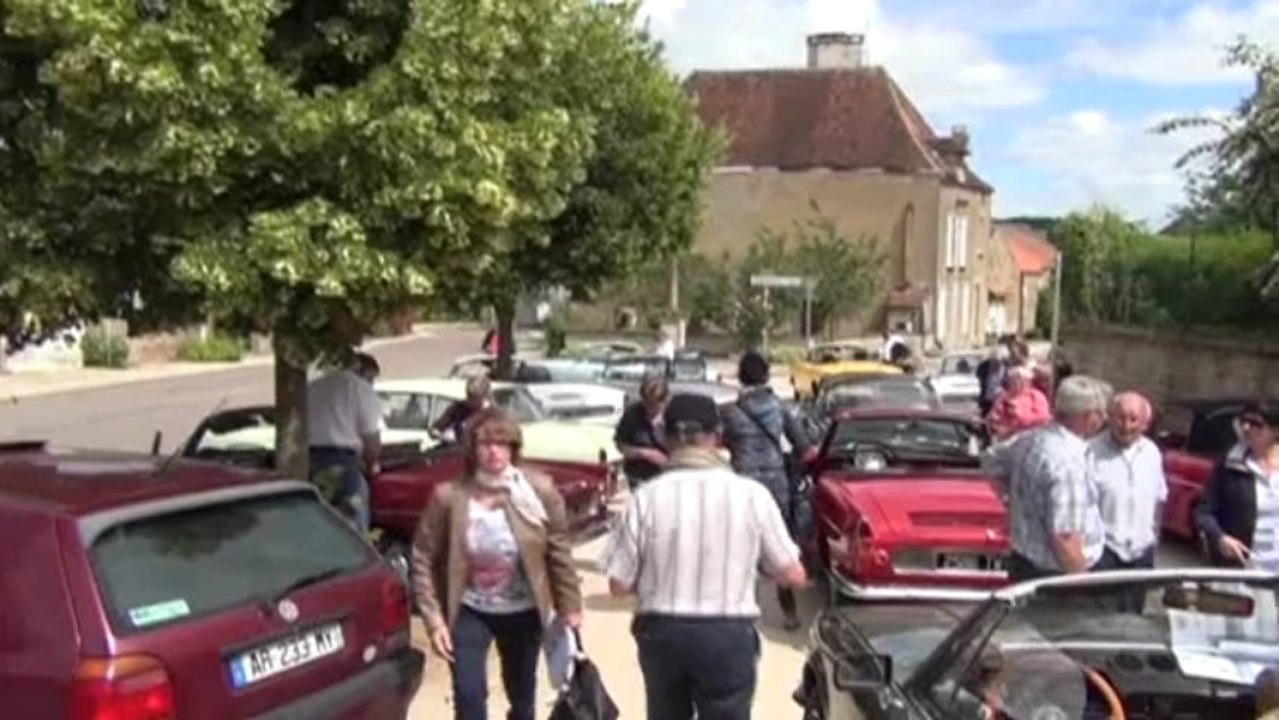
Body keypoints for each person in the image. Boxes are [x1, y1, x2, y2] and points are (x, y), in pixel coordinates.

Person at [600, 393, 808, 720]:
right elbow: (792, 575)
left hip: (662, 633)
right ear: (718, 436)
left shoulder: (645, 498)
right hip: (726, 634)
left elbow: (618, 584)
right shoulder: (751, 495)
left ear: (667, 438)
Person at [410, 409, 583, 720]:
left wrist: (570, 606)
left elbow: (559, 551)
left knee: (522, 696)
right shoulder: (449, 497)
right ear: (472, 448)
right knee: (468, 695)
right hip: (469, 608)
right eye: (486, 443)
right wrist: (434, 620)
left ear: (514, 448)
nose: (494, 452)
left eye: (503, 444)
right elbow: (422, 556)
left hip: (523, 609)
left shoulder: (537, 491)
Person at [721, 350, 812, 631]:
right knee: (780, 545)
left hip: (744, 480)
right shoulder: (780, 407)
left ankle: (741, 611)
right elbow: (804, 447)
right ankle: (789, 612)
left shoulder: (730, 412)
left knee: (742, 548)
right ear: (766, 375)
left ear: (740, 377)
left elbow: (722, 443)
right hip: (776, 482)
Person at [988, 375, 1110, 581]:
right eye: (1101, 412)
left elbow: (991, 460)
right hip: (1056, 576)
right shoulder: (1068, 464)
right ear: (1088, 416)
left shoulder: (1028, 439)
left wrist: (1011, 499)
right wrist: (1082, 583)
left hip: (1023, 563)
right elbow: (1065, 537)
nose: (1105, 418)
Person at [1090, 391, 1166, 612]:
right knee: (1098, 623)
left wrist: (1154, 540)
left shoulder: (1152, 453)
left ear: (1145, 423)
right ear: (1109, 418)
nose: (1126, 425)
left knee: (1133, 622)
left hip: (1140, 553)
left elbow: (1159, 499)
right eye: (1120, 418)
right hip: (1104, 553)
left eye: (1133, 419)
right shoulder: (1091, 451)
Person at [1196, 402, 1279, 570]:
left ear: (1276, 431)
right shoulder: (1229, 466)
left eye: (1256, 424)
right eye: (1244, 421)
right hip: (1242, 567)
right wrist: (1220, 538)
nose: (1247, 428)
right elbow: (1204, 512)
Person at [307, 350, 382, 531]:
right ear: (364, 372)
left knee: (318, 518)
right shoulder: (360, 389)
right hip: (342, 461)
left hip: (309, 460)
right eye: (372, 378)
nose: (372, 383)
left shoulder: (314, 386)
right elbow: (371, 441)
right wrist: (372, 464)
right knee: (352, 521)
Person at [613, 375, 670, 488]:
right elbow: (620, 445)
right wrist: (645, 454)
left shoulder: (674, 416)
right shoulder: (632, 415)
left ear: (665, 400)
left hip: (668, 477)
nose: (650, 410)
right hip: (638, 476)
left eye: (655, 405)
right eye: (647, 404)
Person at [984, 365, 1051, 441]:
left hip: (1031, 438)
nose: (1016, 382)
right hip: (1007, 438)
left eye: (1020, 380)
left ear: (1028, 382)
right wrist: (993, 420)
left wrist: (1019, 415)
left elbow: (1042, 418)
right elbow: (994, 416)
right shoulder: (1004, 397)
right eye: (1013, 380)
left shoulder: (1036, 396)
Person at [432, 376, 492, 440]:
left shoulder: (492, 413)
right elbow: (438, 427)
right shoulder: (457, 408)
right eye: (469, 396)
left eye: (475, 398)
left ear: (485, 396)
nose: (471, 400)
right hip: (459, 446)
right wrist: (438, 433)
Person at [976, 341, 1011, 417]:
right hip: (987, 399)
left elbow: (1008, 382)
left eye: (999, 360)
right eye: (994, 359)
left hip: (1001, 400)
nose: (997, 362)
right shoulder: (984, 366)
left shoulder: (1007, 367)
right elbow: (979, 375)